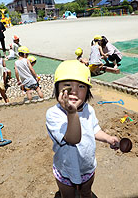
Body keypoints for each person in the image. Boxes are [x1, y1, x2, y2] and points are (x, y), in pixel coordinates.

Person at [46, 60, 119, 197]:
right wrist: (72, 113)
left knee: (86, 192)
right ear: (57, 89)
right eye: (67, 85)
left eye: (81, 86)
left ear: (87, 91)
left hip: (87, 166)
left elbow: (94, 129)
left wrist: (108, 138)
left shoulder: (88, 109)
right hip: (66, 169)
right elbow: (72, 139)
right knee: (68, 196)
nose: (74, 91)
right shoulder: (54, 114)